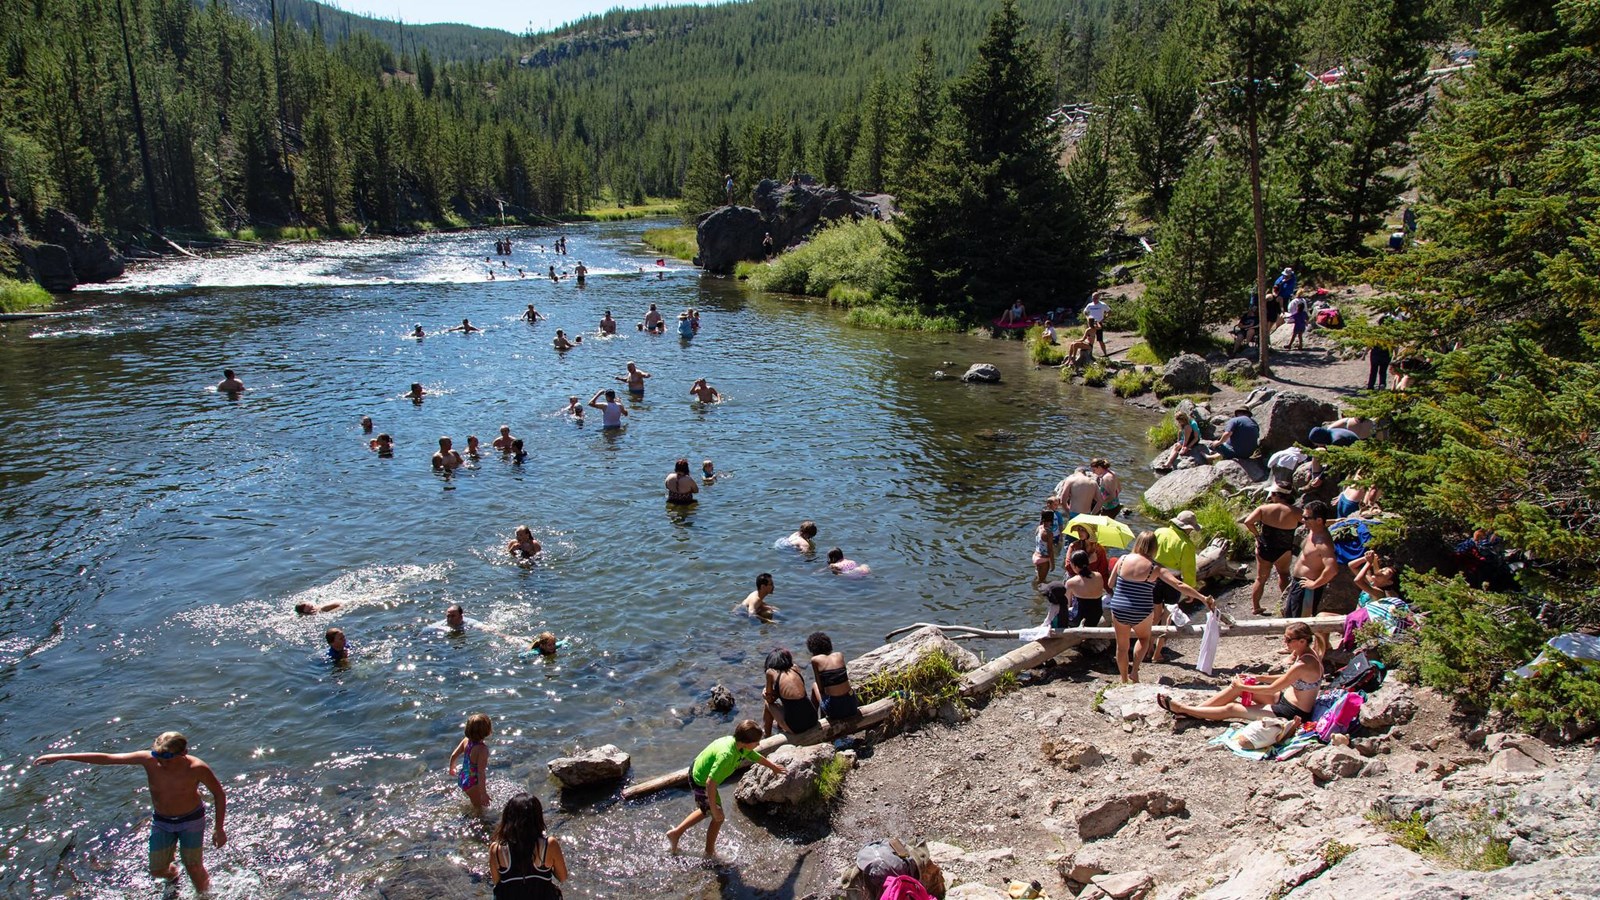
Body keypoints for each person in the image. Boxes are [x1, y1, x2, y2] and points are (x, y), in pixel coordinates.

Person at [34, 732, 227, 893]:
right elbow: (107, 758)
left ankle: (204, 895)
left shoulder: (197, 768)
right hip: (162, 821)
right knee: (157, 870)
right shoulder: (150, 760)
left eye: (166, 757)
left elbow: (219, 794)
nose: (161, 761)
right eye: (157, 755)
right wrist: (60, 756)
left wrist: (219, 828)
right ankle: (173, 874)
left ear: (184, 752)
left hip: (191, 820)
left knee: (193, 867)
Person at [1105, 531, 1214, 684]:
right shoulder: (1155, 568)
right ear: (1154, 548)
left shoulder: (1122, 559)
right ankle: (1134, 671)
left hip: (1119, 607)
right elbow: (1179, 585)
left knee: (1122, 647)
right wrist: (1202, 597)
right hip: (1141, 610)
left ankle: (1123, 680)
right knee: (1143, 639)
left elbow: (1110, 584)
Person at [666, 720, 786, 857]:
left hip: (700, 771)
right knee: (718, 817)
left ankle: (676, 833)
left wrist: (773, 767)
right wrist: (715, 810)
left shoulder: (739, 745)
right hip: (701, 781)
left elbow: (753, 755)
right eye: (756, 742)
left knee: (707, 810)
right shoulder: (727, 756)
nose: (759, 744)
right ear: (746, 743)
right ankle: (709, 853)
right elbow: (710, 784)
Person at [1161, 623, 1323, 724]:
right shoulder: (1305, 653)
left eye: (1288, 640)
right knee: (1239, 689)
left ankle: (1185, 710)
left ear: (1302, 641)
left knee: (1232, 708)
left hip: (1292, 713)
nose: (1285, 643)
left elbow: (1271, 689)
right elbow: (1286, 679)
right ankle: (1195, 711)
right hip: (1283, 699)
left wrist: (1245, 685)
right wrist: (1258, 678)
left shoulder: (1304, 663)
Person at [488, 792, 567, 898]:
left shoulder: (496, 849)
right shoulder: (549, 845)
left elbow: (496, 881)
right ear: (537, 817)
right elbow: (562, 877)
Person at [1150, 511, 1204, 659]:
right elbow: (1189, 570)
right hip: (1172, 581)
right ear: (1187, 528)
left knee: (1154, 616)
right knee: (1167, 618)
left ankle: (1147, 648)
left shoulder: (1159, 532)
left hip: (1153, 578)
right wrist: (1190, 590)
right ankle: (1157, 653)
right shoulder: (1186, 544)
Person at [1244, 490, 1302, 616]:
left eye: (1272, 494)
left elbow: (1248, 522)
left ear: (1276, 495)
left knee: (1260, 578)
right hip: (1284, 548)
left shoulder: (1263, 509)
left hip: (1265, 547)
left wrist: (1257, 535)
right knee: (1284, 574)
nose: (1270, 496)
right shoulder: (1296, 511)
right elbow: (1311, 522)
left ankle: (1256, 607)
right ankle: (1286, 604)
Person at [1285, 500, 1339, 619]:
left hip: (1307, 589)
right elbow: (1324, 522)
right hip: (1298, 584)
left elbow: (1332, 569)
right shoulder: (1313, 530)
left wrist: (1314, 584)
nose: (1303, 520)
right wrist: (1336, 521)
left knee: (1302, 623)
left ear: (1318, 520)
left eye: (1306, 517)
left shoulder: (1323, 543)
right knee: (1291, 618)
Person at [762, 648, 819, 737]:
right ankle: (779, 726)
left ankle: (767, 735)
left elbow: (770, 701)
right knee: (791, 703)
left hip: (796, 727)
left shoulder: (770, 672)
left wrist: (765, 694)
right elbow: (790, 693)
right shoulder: (795, 668)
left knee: (767, 704)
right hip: (813, 719)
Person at [807, 632, 861, 722]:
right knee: (829, 694)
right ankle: (822, 717)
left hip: (834, 710)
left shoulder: (815, 660)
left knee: (814, 686)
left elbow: (820, 689)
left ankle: (813, 720)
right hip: (852, 704)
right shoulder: (839, 655)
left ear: (813, 649)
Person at [449, 713, 493, 812]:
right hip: (473, 783)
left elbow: (453, 755)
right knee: (479, 809)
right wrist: (483, 793)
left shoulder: (466, 741)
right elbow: (481, 773)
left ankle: (469, 811)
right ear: (488, 731)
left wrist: (452, 767)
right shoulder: (482, 749)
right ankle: (477, 822)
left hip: (463, 777)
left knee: (473, 801)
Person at [1063, 549, 1106, 628]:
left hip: (1080, 619)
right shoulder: (1099, 576)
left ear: (1074, 566)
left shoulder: (1071, 583)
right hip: (1096, 616)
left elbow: (1066, 605)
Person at [1031, 509, 1056, 586]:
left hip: (1035, 556)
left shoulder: (1039, 528)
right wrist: (1053, 563)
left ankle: (1035, 589)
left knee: (1038, 578)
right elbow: (1050, 550)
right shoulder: (1048, 533)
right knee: (1042, 582)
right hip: (1043, 559)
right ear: (1051, 520)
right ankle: (1038, 596)